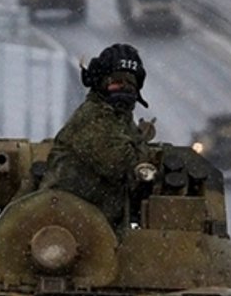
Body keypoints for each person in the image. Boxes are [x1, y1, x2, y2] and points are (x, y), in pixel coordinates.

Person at [41, 43, 155, 230]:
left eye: (131, 84)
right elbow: (121, 165)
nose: (124, 89)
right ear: (101, 83)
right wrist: (141, 144)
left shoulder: (119, 118)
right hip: (66, 224)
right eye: (117, 82)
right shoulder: (94, 117)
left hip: (96, 223)